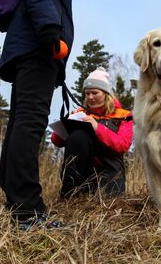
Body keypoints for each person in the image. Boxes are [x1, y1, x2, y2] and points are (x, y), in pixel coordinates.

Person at [0, 0, 88, 230]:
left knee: (21, 121)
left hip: (28, 46)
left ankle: (14, 196)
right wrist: (51, 29)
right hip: (38, 47)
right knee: (31, 122)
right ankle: (28, 210)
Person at [52, 68, 133, 198]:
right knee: (78, 135)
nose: (90, 97)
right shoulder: (80, 113)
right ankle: (69, 191)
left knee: (110, 201)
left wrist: (96, 126)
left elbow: (123, 144)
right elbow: (56, 141)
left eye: (95, 93)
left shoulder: (124, 115)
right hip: (84, 170)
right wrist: (67, 124)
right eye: (87, 93)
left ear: (106, 93)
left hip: (110, 169)